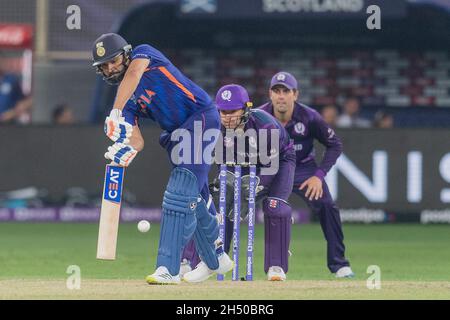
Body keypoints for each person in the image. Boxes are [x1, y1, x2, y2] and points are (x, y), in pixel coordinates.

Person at [91, 33, 233, 284]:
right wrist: (126, 151)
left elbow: (133, 76)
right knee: (195, 195)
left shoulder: (144, 54)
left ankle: (169, 269)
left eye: (114, 60)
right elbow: (137, 140)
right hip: (176, 135)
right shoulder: (126, 103)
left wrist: (114, 110)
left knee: (179, 192)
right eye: (105, 65)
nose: (111, 67)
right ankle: (217, 258)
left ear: (126, 53)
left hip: (200, 117)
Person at [182, 84, 296, 281]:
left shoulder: (266, 126)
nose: (227, 117)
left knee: (275, 207)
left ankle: (276, 266)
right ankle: (211, 261)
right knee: (221, 204)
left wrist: (254, 188)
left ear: (246, 108)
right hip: (240, 162)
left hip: (276, 163)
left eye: (232, 111)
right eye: (223, 111)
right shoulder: (212, 125)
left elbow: (271, 167)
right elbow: (214, 161)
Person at [259, 71, 354, 278]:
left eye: (286, 91)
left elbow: (334, 145)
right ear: (270, 94)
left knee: (328, 207)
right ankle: (216, 260)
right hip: (270, 170)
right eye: (277, 91)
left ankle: (339, 265)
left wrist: (319, 175)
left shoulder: (310, 117)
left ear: (296, 95)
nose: (281, 96)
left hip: (303, 170)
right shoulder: (259, 116)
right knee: (233, 203)